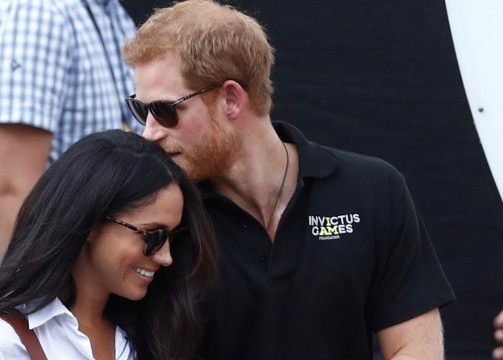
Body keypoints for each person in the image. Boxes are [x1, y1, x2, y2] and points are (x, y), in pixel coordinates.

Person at [122, 0, 456, 358]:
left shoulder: (372, 190)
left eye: (164, 110)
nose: (149, 133)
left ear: (231, 99)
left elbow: (414, 345)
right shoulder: (160, 217)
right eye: (141, 110)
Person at [0, 130, 218, 359]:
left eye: (173, 238)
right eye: (152, 236)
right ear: (91, 224)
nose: (166, 257)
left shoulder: (154, 337)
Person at [0, 0, 140, 302]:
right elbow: (10, 190)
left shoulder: (110, 12)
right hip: (52, 310)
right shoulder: (36, 11)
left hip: (92, 306)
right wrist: (47, 313)